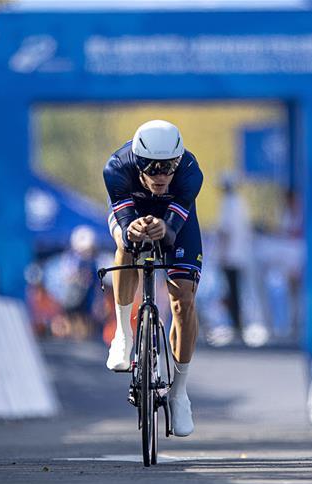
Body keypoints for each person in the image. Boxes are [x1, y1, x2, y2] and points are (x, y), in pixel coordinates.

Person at [103, 120, 203, 437]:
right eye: (152, 168)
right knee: (125, 244)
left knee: (182, 301)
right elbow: (123, 219)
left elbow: (173, 228)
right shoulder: (116, 168)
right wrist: (132, 229)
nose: (161, 176)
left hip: (176, 220)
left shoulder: (189, 171)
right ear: (138, 162)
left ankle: (179, 392)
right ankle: (123, 333)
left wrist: (165, 228)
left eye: (168, 167)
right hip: (132, 213)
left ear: (178, 161)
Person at [216, 172, 253, 340]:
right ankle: (238, 323)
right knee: (237, 290)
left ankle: (236, 324)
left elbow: (225, 231)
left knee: (231, 291)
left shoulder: (228, 204)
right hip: (241, 254)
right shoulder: (240, 203)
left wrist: (221, 253)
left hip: (230, 255)